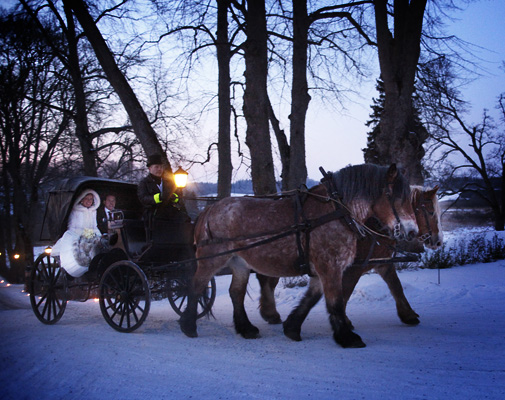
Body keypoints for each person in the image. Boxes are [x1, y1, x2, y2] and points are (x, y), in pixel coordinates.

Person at [51, 189, 104, 277]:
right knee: (84, 247)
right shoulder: (75, 210)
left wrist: (100, 236)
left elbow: (94, 227)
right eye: (86, 198)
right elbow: (72, 227)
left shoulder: (94, 211)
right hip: (76, 234)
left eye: (91, 199)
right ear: (82, 199)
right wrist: (86, 234)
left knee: (102, 244)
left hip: (90, 235)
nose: (89, 201)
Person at [137, 154, 187, 240]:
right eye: (156, 167)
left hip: (169, 211)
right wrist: (158, 198)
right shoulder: (144, 183)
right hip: (153, 212)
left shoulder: (169, 182)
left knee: (185, 219)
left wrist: (175, 198)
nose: (159, 169)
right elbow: (143, 198)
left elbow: (177, 195)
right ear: (150, 169)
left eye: (161, 167)